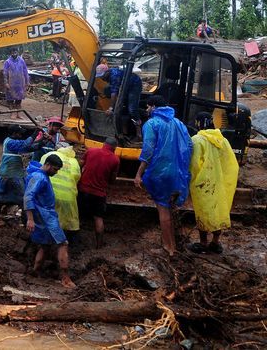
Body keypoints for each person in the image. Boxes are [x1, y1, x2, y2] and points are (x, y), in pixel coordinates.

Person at [135, 95, 192, 256]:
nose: (147, 110)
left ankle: (168, 247)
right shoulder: (179, 123)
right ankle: (173, 243)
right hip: (178, 173)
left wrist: (139, 173)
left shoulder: (152, 124)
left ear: (153, 107)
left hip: (160, 172)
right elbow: (189, 146)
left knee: (163, 210)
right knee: (170, 208)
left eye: (148, 107)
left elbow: (148, 150)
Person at [187, 112, 238, 254]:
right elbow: (231, 163)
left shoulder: (197, 140)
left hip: (204, 183)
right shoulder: (223, 140)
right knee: (219, 210)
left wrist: (190, 179)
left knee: (202, 211)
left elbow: (194, 163)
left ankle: (203, 243)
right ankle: (215, 242)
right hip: (221, 182)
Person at [24, 154, 76, 288]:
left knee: (45, 245)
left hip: (43, 215)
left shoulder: (38, 174)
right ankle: (65, 278)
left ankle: (35, 271)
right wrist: (30, 219)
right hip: (45, 217)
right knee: (63, 243)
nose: (56, 172)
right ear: (47, 165)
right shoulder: (39, 177)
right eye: (55, 169)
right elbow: (28, 196)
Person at [0, 125, 46, 220]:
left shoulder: (14, 143)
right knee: (23, 197)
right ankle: (26, 219)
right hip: (10, 174)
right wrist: (35, 133)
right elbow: (26, 144)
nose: (21, 135)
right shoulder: (10, 142)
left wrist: (43, 141)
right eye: (19, 133)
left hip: (10, 174)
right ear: (14, 133)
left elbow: (30, 147)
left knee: (1, 197)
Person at [78, 137, 120, 248]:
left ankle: (74, 240)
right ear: (114, 148)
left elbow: (79, 166)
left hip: (83, 189)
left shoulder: (91, 151)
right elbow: (112, 180)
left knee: (77, 215)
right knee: (98, 218)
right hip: (99, 194)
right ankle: (99, 245)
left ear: (103, 144)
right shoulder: (115, 159)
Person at [41, 144, 81, 242]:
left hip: (50, 195)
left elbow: (40, 170)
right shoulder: (74, 162)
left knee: (48, 220)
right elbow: (77, 179)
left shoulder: (50, 155)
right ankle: (64, 241)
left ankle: (46, 242)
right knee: (65, 220)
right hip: (68, 197)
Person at [102, 66, 143, 135]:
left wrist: (111, 108)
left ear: (106, 72)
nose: (101, 78)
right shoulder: (110, 75)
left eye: (102, 76)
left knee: (132, 109)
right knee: (122, 108)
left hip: (134, 85)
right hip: (125, 87)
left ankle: (139, 133)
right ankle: (124, 132)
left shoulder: (114, 76)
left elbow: (114, 93)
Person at [3, 49, 29, 120]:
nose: (14, 53)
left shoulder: (22, 61)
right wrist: (6, 83)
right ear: (10, 53)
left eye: (15, 52)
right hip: (11, 83)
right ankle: (12, 113)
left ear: (17, 52)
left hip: (20, 83)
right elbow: (5, 73)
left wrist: (27, 81)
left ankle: (18, 113)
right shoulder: (7, 62)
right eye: (12, 52)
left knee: (19, 99)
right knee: (10, 100)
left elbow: (25, 71)